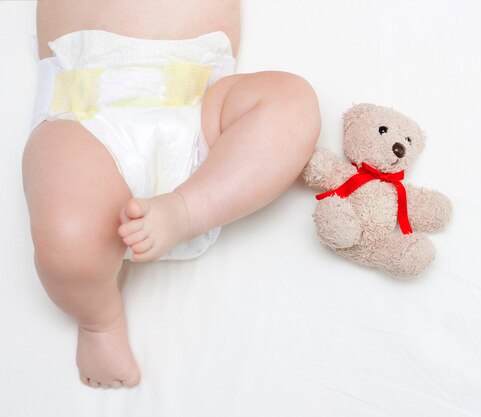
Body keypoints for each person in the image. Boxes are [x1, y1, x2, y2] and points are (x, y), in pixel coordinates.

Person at [22, 0, 321, 389]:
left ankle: (188, 209)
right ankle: (99, 319)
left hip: (202, 108)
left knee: (292, 99)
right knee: (65, 243)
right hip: (86, 115)